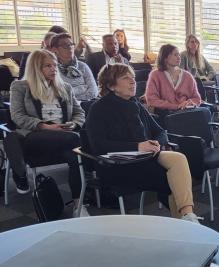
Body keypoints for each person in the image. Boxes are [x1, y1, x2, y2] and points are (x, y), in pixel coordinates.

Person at [86, 63, 201, 223]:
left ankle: (188, 216)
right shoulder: (98, 109)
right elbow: (99, 145)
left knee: (179, 159)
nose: (133, 81)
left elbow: (160, 132)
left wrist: (156, 143)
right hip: (120, 164)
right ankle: (185, 223)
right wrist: (138, 146)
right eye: (126, 78)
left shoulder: (135, 104)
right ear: (111, 85)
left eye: (133, 78)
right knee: (174, 181)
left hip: (147, 156)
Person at [6, 50, 85, 215]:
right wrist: (44, 126)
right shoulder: (21, 86)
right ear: (35, 68)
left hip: (64, 136)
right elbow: (17, 116)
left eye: (55, 65)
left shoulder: (65, 88)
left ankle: (78, 203)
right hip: (35, 136)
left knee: (74, 154)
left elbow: (79, 113)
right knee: (76, 141)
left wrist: (73, 123)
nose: (53, 69)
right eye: (48, 66)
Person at [145, 44, 201, 115]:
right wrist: (175, 106)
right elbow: (152, 100)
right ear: (165, 58)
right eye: (175, 55)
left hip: (185, 111)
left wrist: (189, 103)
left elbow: (196, 98)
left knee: (204, 112)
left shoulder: (188, 76)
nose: (179, 57)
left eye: (179, 55)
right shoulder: (155, 75)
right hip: (166, 113)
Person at [51, 33, 98, 102]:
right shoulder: (52, 69)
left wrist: (76, 100)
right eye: (65, 45)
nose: (70, 47)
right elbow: (60, 94)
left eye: (71, 44)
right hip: (65, 107)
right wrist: (82, 88)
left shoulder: (83, 66)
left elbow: (94, 92)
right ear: (55, 49)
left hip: (87, 104)